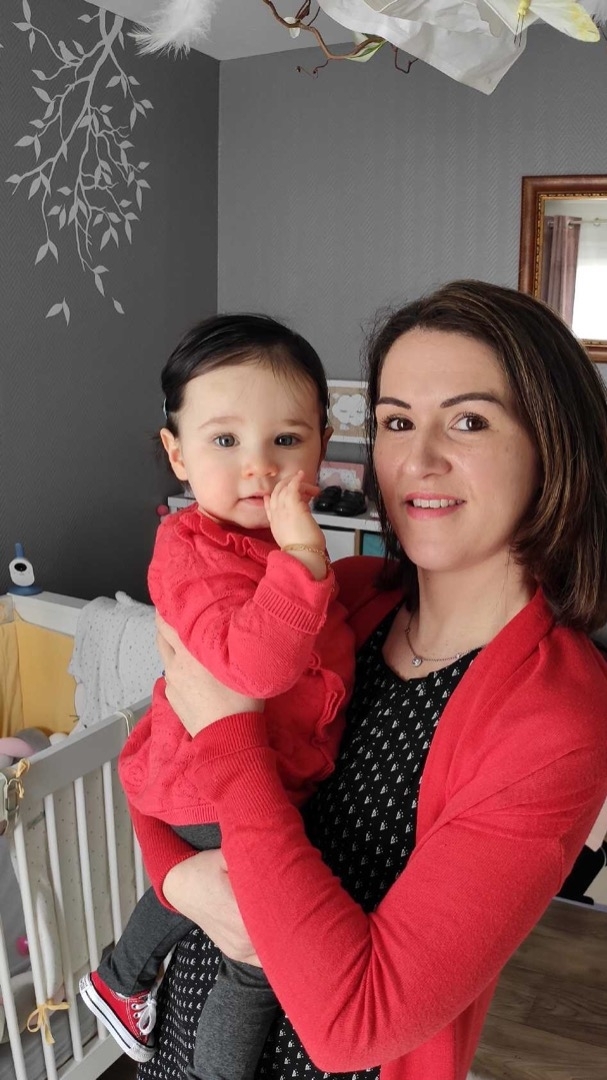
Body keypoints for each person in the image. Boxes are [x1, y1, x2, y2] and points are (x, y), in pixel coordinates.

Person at [136, 280, 607, 1080]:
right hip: (188, 1027)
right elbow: (166, 764)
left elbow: (357, 1024)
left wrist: (229, 734)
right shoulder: (336, 601)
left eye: (468, 421)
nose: (419, 460)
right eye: (395, 422)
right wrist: (180, 881)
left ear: (551, 444)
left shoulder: (557, 717)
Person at [79, 314, 356, 1076]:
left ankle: (120, 978)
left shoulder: (277, 550)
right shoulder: (193, 553)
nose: (258, 467)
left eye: (286, 439)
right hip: (207, 784)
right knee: (261, 953)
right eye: (225, 440)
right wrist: (302, 556)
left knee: (230, 919)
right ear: (178, 455)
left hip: (252, 778)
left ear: (322, 445)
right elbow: (255, 672)